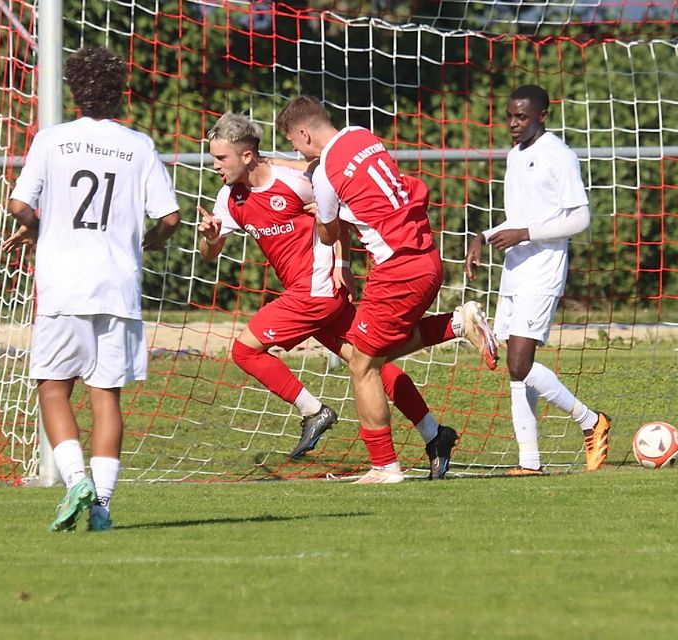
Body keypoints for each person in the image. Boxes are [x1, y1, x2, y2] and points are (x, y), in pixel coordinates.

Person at [198, 112, 496, 482]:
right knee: (372, 363)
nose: (214, 166)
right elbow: (211, 254)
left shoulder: (297, 180)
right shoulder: (228, 198)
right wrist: (210, 238)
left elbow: (332, 212)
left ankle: (316, 414)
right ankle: (435, 433)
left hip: (317, 293)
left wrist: (341, 262)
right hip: (311, 294)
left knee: (244, 350)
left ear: (246, 156)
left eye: (220, 158)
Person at [2, 46, 181, 530]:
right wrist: (155, 241)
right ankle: (101, 507)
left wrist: (39, 227)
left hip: (63, 284)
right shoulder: (138, 145)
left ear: (74, 92)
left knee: (53, 389)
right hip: (117, 286)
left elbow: (19, 205)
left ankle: (76, 479)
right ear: (120, 93)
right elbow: (170, 217)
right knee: (107, 398)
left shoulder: (52, 140)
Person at [465, 84, 611, 475]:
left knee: (519, 363)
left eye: (522, 117)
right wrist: (484, 235)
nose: (513, 124)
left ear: (543, 116)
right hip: (515, 269)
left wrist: (525, 233)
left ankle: (590, 421)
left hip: (543, 269)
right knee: (516, 373)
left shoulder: (557, 156)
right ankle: (529, 461)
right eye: (510, 116)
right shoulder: (515, 155)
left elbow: (580, 218)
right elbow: (520, 217)